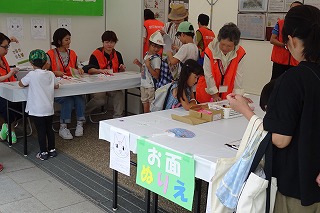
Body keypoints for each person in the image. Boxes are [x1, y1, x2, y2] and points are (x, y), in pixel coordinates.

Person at [227, 5, 320, 212]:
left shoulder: (293, 80)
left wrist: (244, 110)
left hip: (297, 185)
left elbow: (280, 138)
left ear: (292, 40)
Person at [19, 49, 59, 160]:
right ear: (45, 62)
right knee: (49, 129)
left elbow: (21, 83)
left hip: (37, 110)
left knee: (41, 130)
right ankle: (52, 150)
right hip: (48, 108)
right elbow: (56, 86)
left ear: (31, 63)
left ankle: (43, 152)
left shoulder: (31, 74)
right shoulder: (50, 74)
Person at [46, 28, 85, 140]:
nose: (69, 42)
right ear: (59, 41)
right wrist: (54, 72)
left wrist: (80, 69)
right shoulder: (50, 54)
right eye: (66, 39)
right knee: (68, 100)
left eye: (69, 39)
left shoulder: (72, 53)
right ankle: (63, 127)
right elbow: (43, 72)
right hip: (57, 88)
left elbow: (77, 67)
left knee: (79, 98)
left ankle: (79, 123)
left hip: (72, 85)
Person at [196, 22, 246, 103]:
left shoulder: (240, 53)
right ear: (219, 40)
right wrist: (214, 94)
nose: (225, 48)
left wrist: (237, 96)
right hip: (207, 93)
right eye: (222, 44)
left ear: (235, 45)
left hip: (226, 95)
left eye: (229, 46)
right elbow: (208, 75)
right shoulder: (210, 50)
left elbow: (238, 77)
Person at [83, 31, 125, 118]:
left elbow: (120, 72)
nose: (109, 44)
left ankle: (117, 118)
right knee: (100, 100)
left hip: (112, 84)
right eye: (107, 42)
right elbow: (89, 70)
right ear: (103, 42)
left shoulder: (118, 54)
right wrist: (100, 70)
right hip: (99, 84)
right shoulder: (96, 54)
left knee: (119, 94)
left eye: (112, 42)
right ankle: (83, 113)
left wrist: (122, 69)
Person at [269, 1, 303, 80]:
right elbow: (272, 40)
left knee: (293, 84)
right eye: (292, 9)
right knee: (275, 83)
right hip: (280, 60)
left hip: (296, 61)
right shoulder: (280, 23)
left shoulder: (304, 26)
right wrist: (284, 45)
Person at [133, 31, 164, 113]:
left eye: (158, 47)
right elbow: (145, 69)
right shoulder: (147, 55)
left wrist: (149, 65)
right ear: (149, 45)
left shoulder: (156, 59)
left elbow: (156, 75)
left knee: (150, 109)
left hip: (151, 86)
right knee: (145, 107)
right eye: (154, 46)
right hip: (143, 84)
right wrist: (139, 64)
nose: (156, 49)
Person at [0, 33, 20, 144]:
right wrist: (8, 75)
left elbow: (3, 43)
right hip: (1, 92)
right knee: (6, 104)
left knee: (25, 103)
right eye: (5, 47)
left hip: (10, 89)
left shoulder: (3, 58)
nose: (7, 49)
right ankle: (11, 130)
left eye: (8, 46)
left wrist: (10, 40)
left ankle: (6, 127)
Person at [161, 3, 188, 79]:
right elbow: (159, 41)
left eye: (178, 19)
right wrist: (161, 35)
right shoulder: (168, 26)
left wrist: (178, 48)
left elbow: (190, 48)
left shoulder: (188, 29)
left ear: (184, 17)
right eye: (174, 19)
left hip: (180, 64)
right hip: (167, 63)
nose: (176, 21)